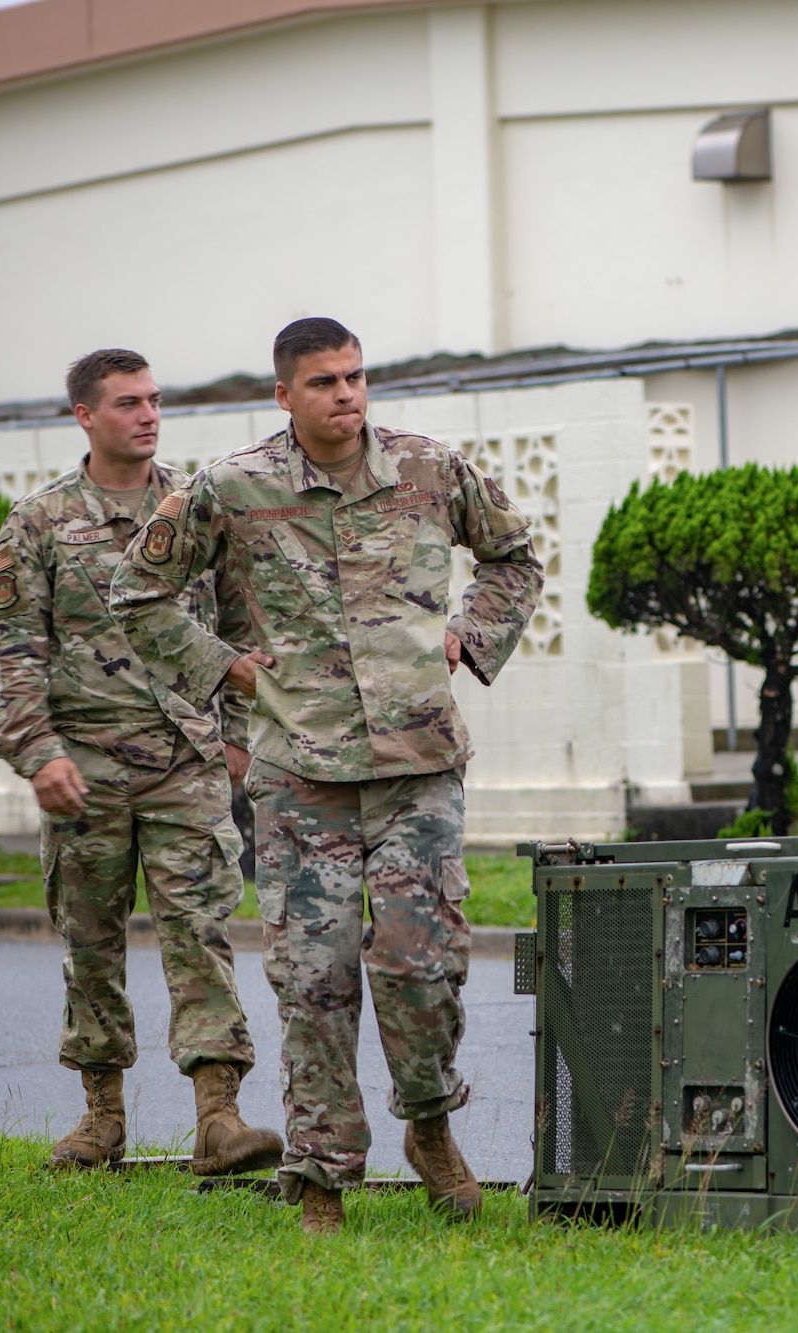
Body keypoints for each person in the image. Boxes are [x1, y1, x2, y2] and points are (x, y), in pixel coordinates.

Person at [111, 318, 542, 1235]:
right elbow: (136, 592)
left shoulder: (431, 469)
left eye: (354, 378)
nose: (344, 395)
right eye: (322, 382)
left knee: (421, 965)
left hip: (419, 766)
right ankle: (320, 1172)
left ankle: (429, 1128)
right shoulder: (232, 486)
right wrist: (222, 666)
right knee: (314, 978)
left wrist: (473, 633)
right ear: (284, 394)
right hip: (300, 771)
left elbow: (514, 554)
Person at [0, 348, 282, 1175]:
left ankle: (219, 1117)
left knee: (202, 933)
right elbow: (10, 649)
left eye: (154, 400)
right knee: (91, 943)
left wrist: (233, 736)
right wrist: (37, 751)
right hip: (82, 769)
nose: (147, 415)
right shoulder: (38, 523)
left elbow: (240, 626)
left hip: (186, 765)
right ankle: (102, 1118)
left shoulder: (193, 507)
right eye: (127, 403)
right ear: (85, 414)